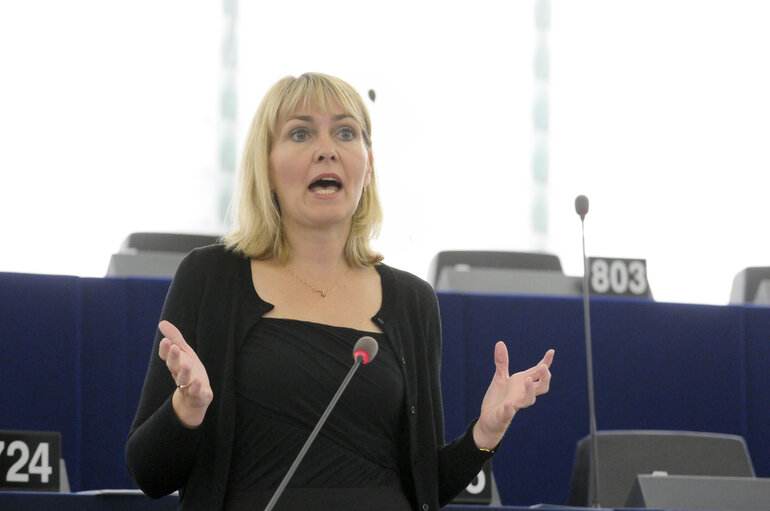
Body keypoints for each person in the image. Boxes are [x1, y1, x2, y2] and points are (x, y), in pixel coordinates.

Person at [125, 72, 554, 511]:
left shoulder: (412, 301)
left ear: (367, 167)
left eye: (346, 132)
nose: (326, 148)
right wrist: (187, 408)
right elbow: (150, 474)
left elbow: (425, 487)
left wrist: (485, 433)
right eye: (300, 133)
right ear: (266, 167)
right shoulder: (211, 278)